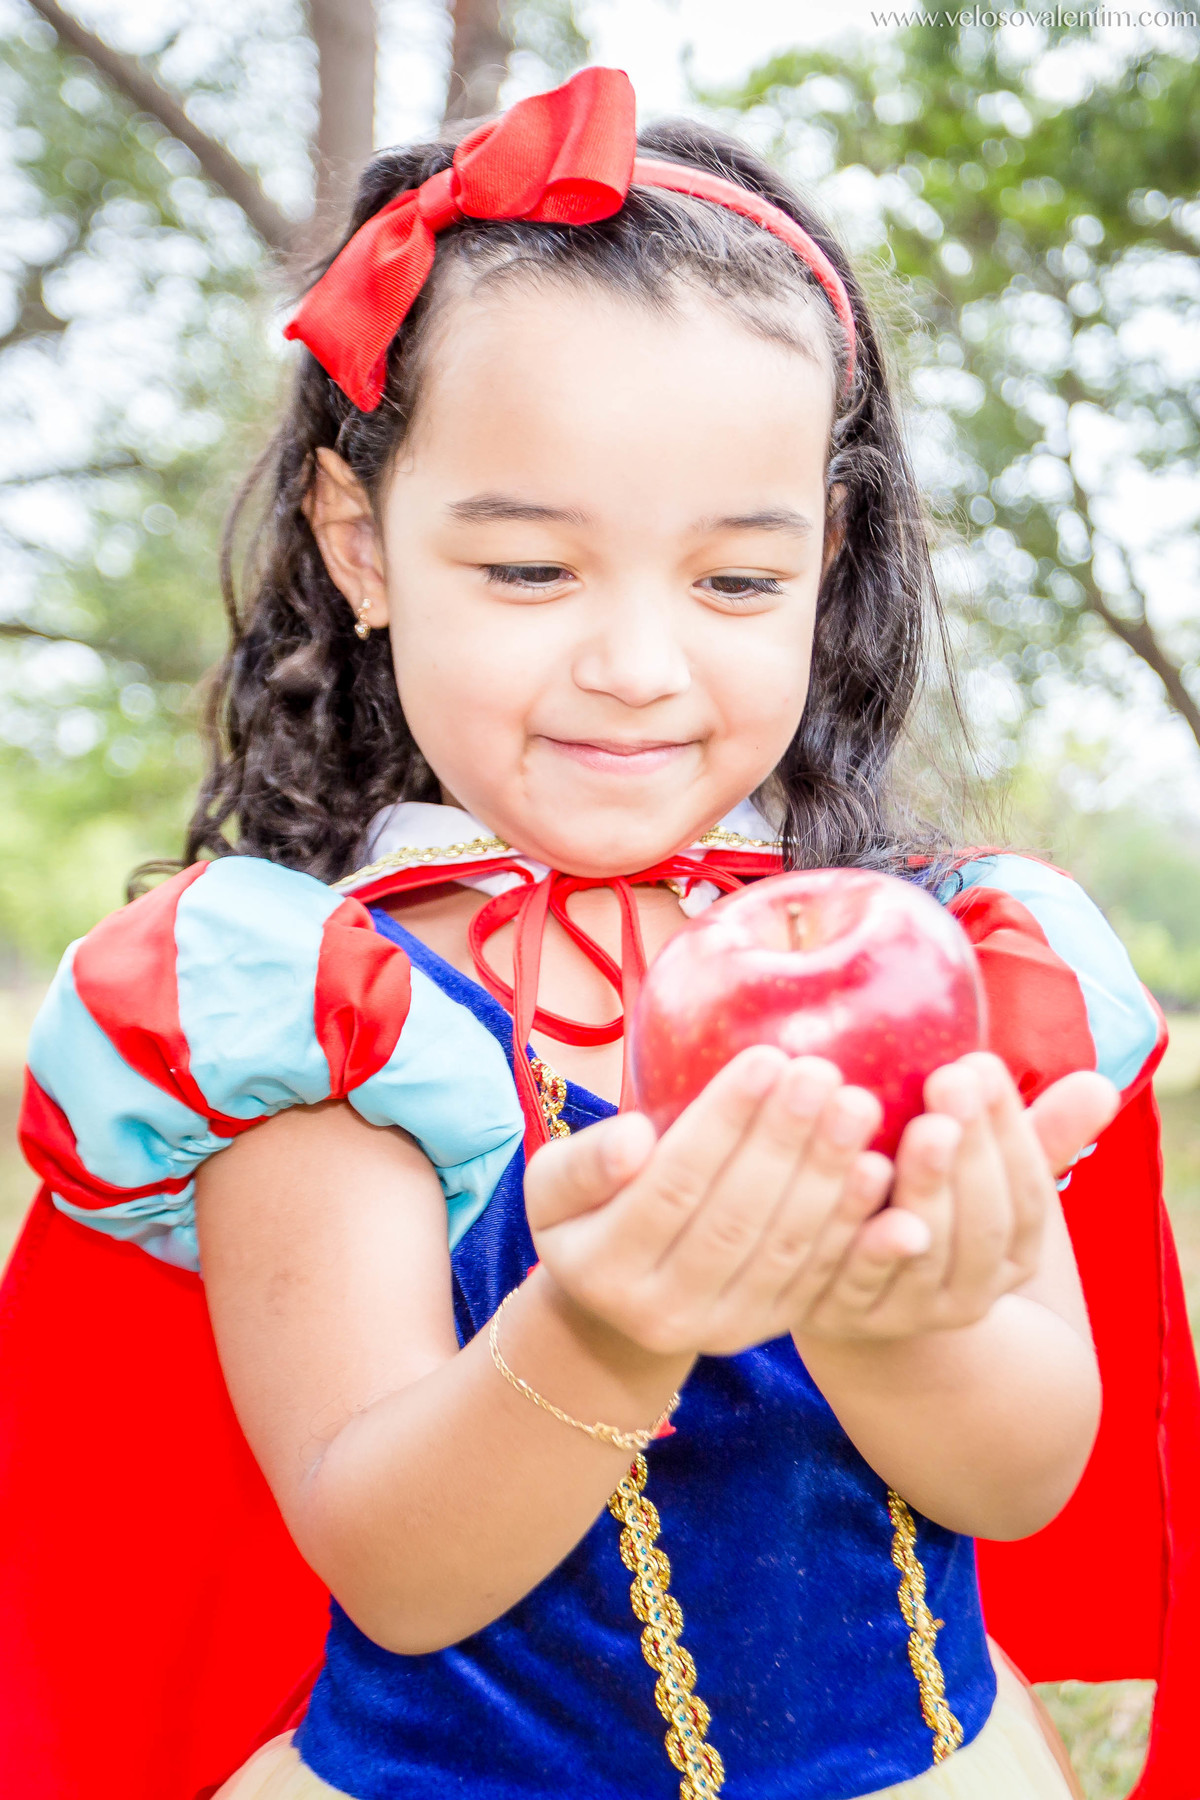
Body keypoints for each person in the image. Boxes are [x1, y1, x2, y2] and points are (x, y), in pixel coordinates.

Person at [3, 66, 1197, 1800]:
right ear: (364, 542)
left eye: (732, 581)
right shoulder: (324, 1016)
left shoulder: (945, 964)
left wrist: (881, 1308)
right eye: (529, 570)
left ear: (829, 552)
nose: (638, 664)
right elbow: (401, 1567)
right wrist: (613, 1322)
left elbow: (1022, 1484)